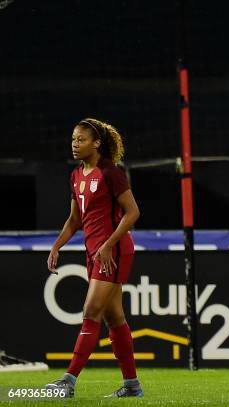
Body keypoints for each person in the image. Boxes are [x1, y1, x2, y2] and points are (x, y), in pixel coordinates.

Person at [45, 118, 143, 398]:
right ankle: (132, 386)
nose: (75, 144)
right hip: (95, 251)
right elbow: (75, 219)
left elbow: (133, 212)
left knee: (90, 312)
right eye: (74, 139)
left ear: (96, 143)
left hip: (113, 251)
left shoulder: (111, 172)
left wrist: (109, 244)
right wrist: (57, 246)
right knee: (115, 318)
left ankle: (68, 381)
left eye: (82, 140)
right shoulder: (76, 175)